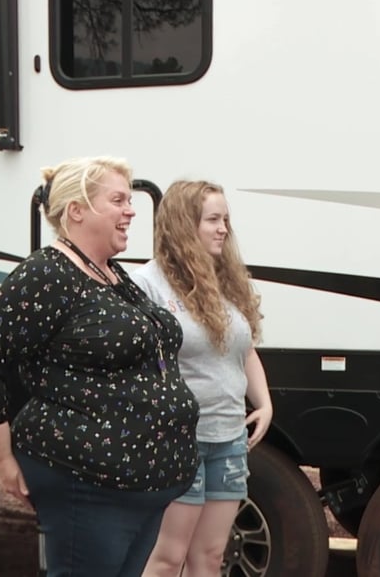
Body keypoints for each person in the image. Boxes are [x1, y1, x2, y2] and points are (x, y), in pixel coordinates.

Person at [0, 156, 199, 577]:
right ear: (77, 210)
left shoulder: (111, 274)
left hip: (142, 483)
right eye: (118, 200)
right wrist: (3, 460)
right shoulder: (46, 274)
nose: (131, 211)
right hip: (87, 481)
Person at [134, 180, 273, 577]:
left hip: (228, 439)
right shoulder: (149, 284)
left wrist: (264, 403)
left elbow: (244, 348)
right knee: (167, 558)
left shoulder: (224, 282)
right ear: (182, 224)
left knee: (210, 557)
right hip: (179, 439)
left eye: (225, 219)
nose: (223, 229)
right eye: (213, 219)